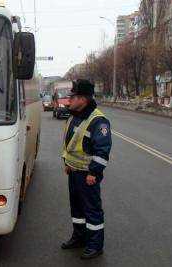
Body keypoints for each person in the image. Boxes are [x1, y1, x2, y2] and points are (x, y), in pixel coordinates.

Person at [61, 79, 112, 259]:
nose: (69, 100)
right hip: (74, 172)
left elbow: (102, 151)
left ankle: (95, 246)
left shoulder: (98, 121)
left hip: (87, 175)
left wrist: (94, 172)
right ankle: (79, 238)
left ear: (83, 99)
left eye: (73, 97)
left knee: (92, 211)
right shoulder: (74, 115)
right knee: (77, 210)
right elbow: (69, 144)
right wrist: (66, 163)